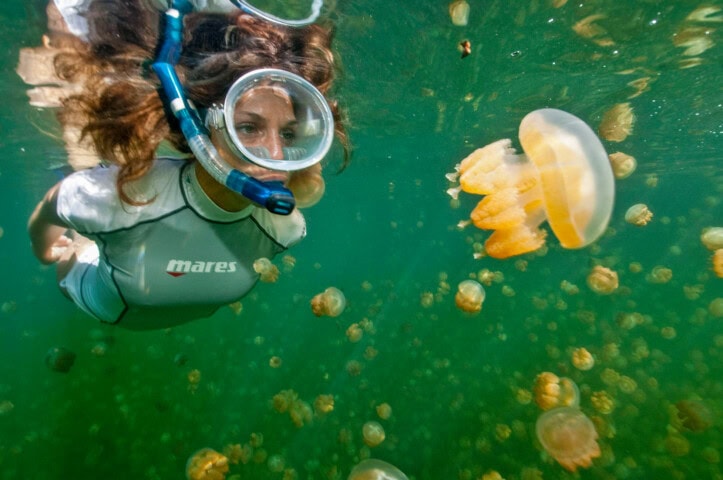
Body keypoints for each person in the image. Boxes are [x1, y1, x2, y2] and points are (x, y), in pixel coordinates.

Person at [26, 0, 350, 330]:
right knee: (82, 191)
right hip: (99, 299)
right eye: (248, 128)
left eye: (289, 133)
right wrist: (46, 249)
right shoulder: (115, 198)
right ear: (202, 125)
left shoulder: (288, 229)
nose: (274, 154)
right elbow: (49, 209)